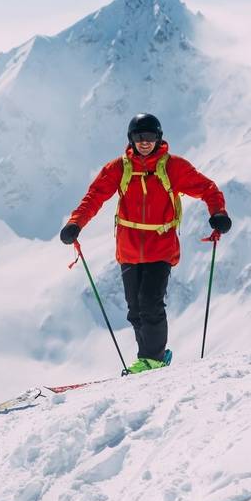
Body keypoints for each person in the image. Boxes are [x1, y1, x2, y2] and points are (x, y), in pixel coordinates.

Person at [59, 113, 230, 372]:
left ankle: (152, 360)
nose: (145, 142)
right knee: (135, 309)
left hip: (161, 247)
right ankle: (153, 357)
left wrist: (218, 213)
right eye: (139, 137)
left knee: (150, 302)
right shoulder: (120, 168)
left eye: (150, 136)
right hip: (128, 249)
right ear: (131, 139)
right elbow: (94, 197)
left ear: (159, 138)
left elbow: (207, 189)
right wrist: (76, 223)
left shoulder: (174, 167)